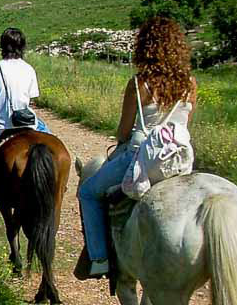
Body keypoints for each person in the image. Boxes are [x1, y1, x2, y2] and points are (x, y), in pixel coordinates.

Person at [77, 16, 197, 278]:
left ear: (145, 47)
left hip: (141, 155)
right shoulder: (190, 83)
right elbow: (185, 124)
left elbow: (123, 131)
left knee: (88, 191)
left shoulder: (138, 84)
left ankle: (98, 259)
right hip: (178, 160)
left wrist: (126, 139)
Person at [0, 28, 50, 211]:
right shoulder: (29, 69)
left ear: (2, 46)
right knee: (52, 140)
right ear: (22, 46)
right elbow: (30, 99)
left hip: (0, 125)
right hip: (28, 122)